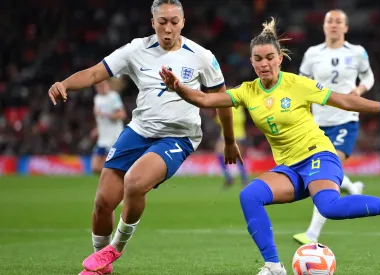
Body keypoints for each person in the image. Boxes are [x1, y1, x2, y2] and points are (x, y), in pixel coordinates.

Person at [160, 17, 380, 275]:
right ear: (252, 62)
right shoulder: (247, 91)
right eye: (258, 59)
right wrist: (179, 88)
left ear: (279, 59)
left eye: (270, 57)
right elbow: (207, 100)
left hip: (318, 155)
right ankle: (273, 266)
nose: (264, 63)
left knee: (329, 207)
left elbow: (343, 100)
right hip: (289, 168)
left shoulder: (297, 84)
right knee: (249, 195)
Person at [47, 1, 241, 274]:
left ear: (183, 22)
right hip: (139, 130)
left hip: (178, 136)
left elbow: (222, 100)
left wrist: (230, 141)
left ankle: (115, 247)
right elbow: (94, 73)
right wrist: (64, 83)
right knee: (103, 202)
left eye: (174, 21)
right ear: (153, 22)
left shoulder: (201, 56)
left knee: (135, 183)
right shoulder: (136, 49)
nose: (168, 28)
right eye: (162, 21)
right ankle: (100, 265)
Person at [293, 9, 374, 245]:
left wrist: (359, 91)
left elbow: (369, 78)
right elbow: (302, 83)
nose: (334, 25)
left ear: (346, 28)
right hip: (318, 123)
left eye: (339, 22)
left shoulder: (357, 52)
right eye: (330, 21)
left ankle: (311, 234)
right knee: (323, 170)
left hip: (345, 120)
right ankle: (352, 185)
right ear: (324, 26)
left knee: (325, 172)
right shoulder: (312, 53)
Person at [91, 79, 127, 175]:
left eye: (103, 85)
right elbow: (99, 119)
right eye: (98, 86)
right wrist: (97, 129)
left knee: (109, 168)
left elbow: (122, 114)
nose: (101, 88)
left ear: (107, 85)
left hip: (113, 138)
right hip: (102, 139)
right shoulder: (97, 98)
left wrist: (106, 115)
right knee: (95, 167)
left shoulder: (113, 96)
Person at [214, 105, 249, 188]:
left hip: (237, 135)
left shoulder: (235, 105)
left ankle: (244, 178)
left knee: (237, 157)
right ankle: (229, 177)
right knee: (219, 154)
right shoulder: (228, 105)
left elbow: (238, 119)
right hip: (227, 134)